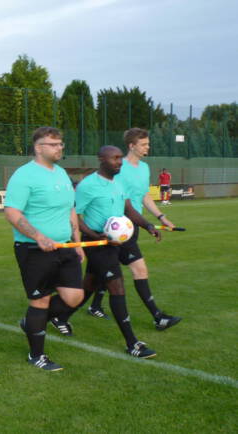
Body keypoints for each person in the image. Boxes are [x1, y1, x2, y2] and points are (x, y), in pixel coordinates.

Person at [65, 145, 161, 358]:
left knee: (89, 284)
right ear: (101, 159)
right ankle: (132, 343)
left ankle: (58, 317)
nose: (119, 162)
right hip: (97, 243)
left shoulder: (119, 182)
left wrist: (148, 225)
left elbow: (128, 209)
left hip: (117, 241)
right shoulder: (87, 186)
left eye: (120, 158)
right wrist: (94, 235)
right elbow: (75, 216)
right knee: (117, 287)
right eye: (115, 158)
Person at [3, 126, 86, 371]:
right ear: (39, 147)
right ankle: (36, 355)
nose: (60, 147)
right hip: (33, 249)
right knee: (40, 301)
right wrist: (38, 236)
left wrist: (77, 242)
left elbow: (70, 209)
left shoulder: (61, 173)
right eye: (54, 144)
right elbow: (11, 212)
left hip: (65, 246)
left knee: (75, 297)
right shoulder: (24, 175)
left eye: (60, 143)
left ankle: (30, 323)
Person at [86, 129, 180, 330]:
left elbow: (144, 196)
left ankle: (89, 307)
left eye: (148, 144)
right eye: (144, 144)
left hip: (131, 226)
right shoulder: (119, 167)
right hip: (115, 226)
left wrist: (160, 217)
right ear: (132, 146)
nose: (148, 147)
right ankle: (158, 317)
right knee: (136, 269)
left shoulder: (144, 168)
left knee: (99, 273)